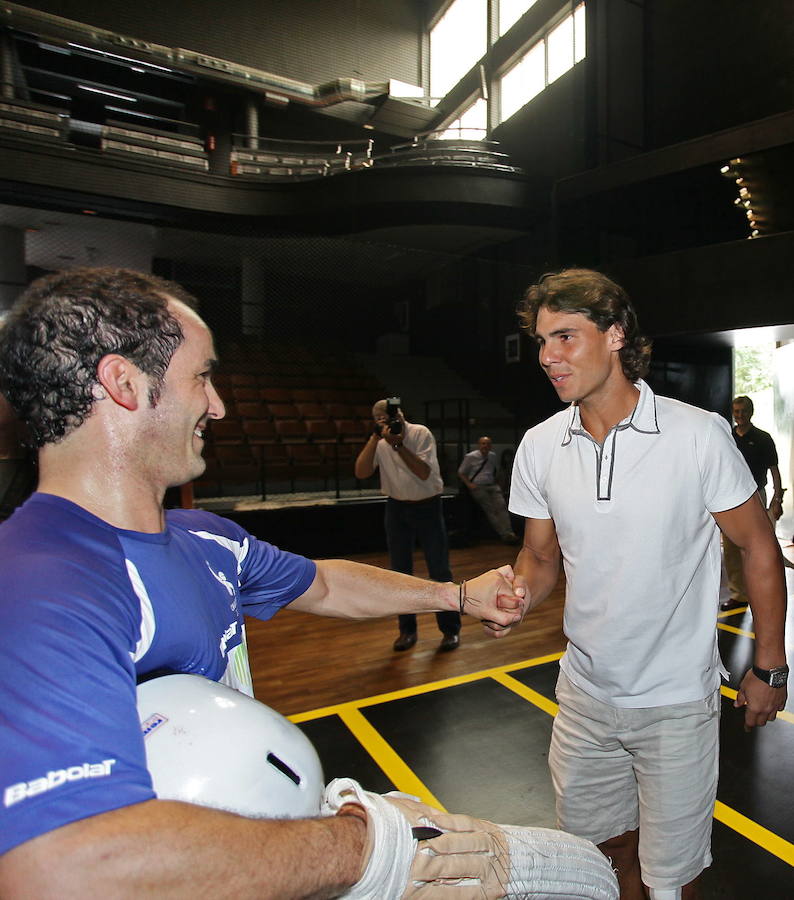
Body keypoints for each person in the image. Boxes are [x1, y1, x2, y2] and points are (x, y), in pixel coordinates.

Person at [0, 267, 546, 899]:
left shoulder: (206, 536)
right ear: (124, 384)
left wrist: (454, 596)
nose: (218, 404)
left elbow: (325, 586)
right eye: (202, 376)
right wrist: (367, 846)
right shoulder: (40, 583)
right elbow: (62, 866)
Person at [508, 269, 788, 900]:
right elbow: (539, 557)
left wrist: (769, 665)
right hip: (583, 698)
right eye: (541, 342)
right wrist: (518, 595)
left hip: (674, 704)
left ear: (615, 334)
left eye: (565, 337)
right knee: (601, 859)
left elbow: (758, 545)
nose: (548, 357)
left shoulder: (698, 435)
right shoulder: (539, 445)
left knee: (672, 879)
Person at [354, 399, 461, 652]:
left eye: (393, 414)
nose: (391, 420)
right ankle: (407, 631)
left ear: (401, 414)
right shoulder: (380, 442)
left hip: (428, 506)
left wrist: (398, 445)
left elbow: (423, 473)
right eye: (381, 417)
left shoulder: (420, 433)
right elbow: (361, 472)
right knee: (399, 572)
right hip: (396, 508)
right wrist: (375, 438)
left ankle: (450, 630)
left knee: (439, 570)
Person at [721, 394, 786, 610]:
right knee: (731, 550)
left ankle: (765, 595)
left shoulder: (763, 438)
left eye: (744, 412)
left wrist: (777, 500)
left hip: (757, 496)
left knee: (761, 549)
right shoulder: (728, 437)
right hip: (730, 497)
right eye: (736, 412)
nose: (740, 416)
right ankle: (739, 594)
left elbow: (774, 471)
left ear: (751, 413)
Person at [457, 435, 518, 543]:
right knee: (490, 509)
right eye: (483, 443)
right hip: (478, 486)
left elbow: (497, 470)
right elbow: (461, 472)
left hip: (492, 485)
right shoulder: (471, 457)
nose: (485, 446)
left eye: (488, 444)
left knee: (502, 507)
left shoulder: (492, 456)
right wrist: (469, 484)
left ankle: (510, 532)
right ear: (479, 445)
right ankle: (504, 534)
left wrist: (498, 483)